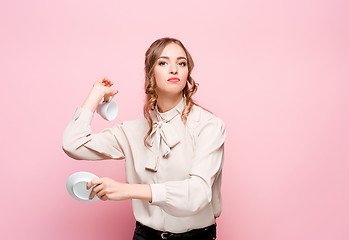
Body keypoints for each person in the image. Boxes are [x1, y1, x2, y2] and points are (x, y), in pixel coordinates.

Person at [62, 37, 226, 240]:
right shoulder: (133, 130)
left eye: (181, 63)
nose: (174, 69)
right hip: (145, 235)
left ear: (187, 73)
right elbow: (72, 145)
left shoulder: (209, 125)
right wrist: (95, 95)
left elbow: (198, 195)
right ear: (150, 74)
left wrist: (128, 190)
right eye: (163, 62)